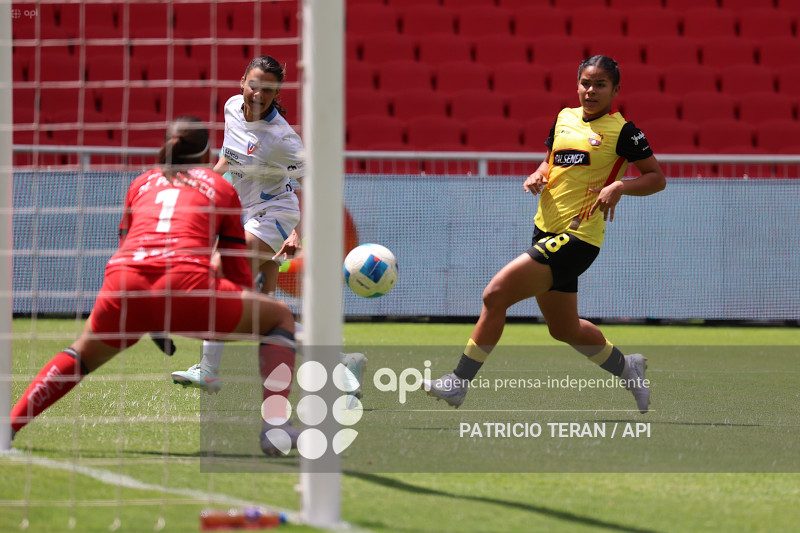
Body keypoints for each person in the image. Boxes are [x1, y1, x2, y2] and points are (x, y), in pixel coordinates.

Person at [9, 117, 297, 456]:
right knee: (279, 317)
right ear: (208, 156)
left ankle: (7, 428)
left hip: (125, 284)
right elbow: (235, 272)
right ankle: (274, 427)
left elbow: (125, 245)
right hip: (186, 284)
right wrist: (240, 300)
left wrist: (154, 319)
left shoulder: (140, 183)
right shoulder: (219, 187)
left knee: (81, 354)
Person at [424, 55, 666, 413]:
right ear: (577, 85)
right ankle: (628, 368)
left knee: (495, 294)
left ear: (615, 90)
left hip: (578, 238)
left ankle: (459, 382)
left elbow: (656, 179)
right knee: (564, 329)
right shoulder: (564, 118)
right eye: (586, 83)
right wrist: (539, 173)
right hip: (544, 231)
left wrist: (619, 186)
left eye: (600, 84)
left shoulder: (624, 132)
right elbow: (551, 161)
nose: (591, 90)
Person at [169, 57, 366, 407]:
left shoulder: (281, 138)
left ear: (277, 94)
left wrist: (297, 233)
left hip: (275, 215)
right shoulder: (232, 108)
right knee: (262, 313)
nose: (259, 94)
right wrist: (207, 183)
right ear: (242, 82)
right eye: (254, 85)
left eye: (269, 90)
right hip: (244, 215)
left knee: (219, 272)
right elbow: (230, 155)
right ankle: (341, 362)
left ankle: (209, 369)